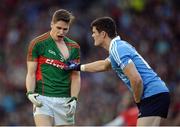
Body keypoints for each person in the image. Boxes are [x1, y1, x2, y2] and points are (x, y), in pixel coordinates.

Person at [66, 17, 170, 126]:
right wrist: (78, 67)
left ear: (103, 34)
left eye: (94, 32)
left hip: (152, 94)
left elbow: (136, 79)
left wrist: (138, 101)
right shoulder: (118, 47)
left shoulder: (117, 49)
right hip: (157, 93)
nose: (92, 35)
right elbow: (104, 65)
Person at [26, 9, 81, 126]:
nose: (61, 32)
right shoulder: (38, 43)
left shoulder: (74, 47)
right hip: (43, 98)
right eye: (58, 28)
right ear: (52, 24)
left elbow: (76, 76)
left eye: (65, 29)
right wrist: (30, 92)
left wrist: (74, 98)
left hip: (65, 100)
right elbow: (31, 73)